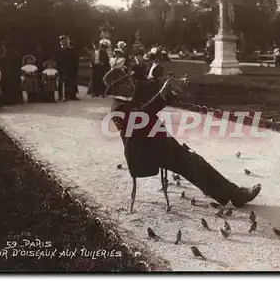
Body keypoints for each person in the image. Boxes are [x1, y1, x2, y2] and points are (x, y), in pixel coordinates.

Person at [102, 63, 262, 208]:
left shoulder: (125, 102)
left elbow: (149, 108)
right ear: (117, 88)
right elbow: (142, 116)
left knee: (194, 162)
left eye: (130, 80)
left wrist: (171, 92)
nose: (131, 83)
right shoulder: (118, 108)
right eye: (126, 82)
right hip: (146, 153)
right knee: (193, 162)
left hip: (156, 145)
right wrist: (162, 93)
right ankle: (234, 195)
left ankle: (226, 192)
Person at [56, 35, 80, 101]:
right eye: (63, 41)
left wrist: (75, 67)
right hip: (61, 68)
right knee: (61, 82)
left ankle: (71, 95)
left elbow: (75, 59)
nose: (65, 43)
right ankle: (61, 96)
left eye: (66, 41)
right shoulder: (58, 51)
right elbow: (57, 60)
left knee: (71, 82)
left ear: (68, 42)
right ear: (61, 42)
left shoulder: (72, 50)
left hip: (70, 68)